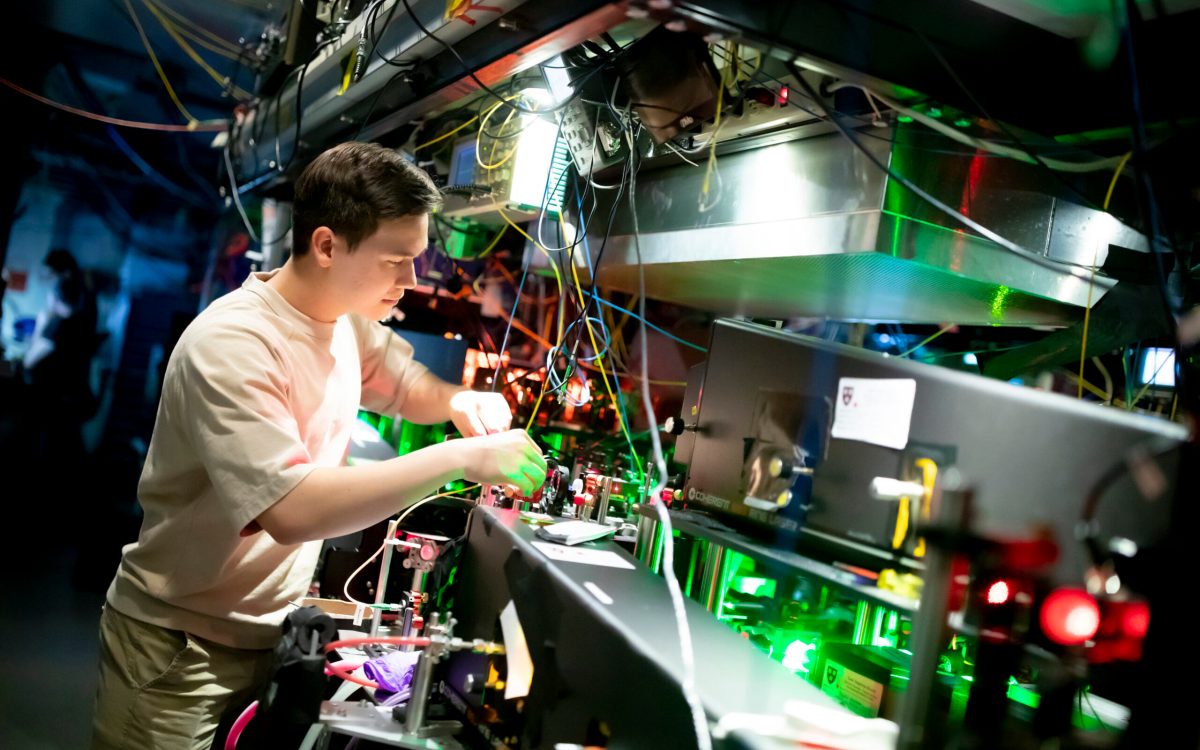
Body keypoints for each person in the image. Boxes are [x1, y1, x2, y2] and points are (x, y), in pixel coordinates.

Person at [91, 142, 548, 749]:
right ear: (327, 245)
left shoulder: (344, 319)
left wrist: (456, 402)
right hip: (179, 650)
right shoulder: (234, 343)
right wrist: (459, 458)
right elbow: (292, 510)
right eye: (395, 260)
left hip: (265, 638)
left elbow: (404, 383)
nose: (411, 280)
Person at [22, 248, 99, 473]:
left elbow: (29, 362)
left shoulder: (60, 325)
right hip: (71, 395)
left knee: (45, 447)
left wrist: (41, 324)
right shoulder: (80, 318)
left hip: (55, 397)